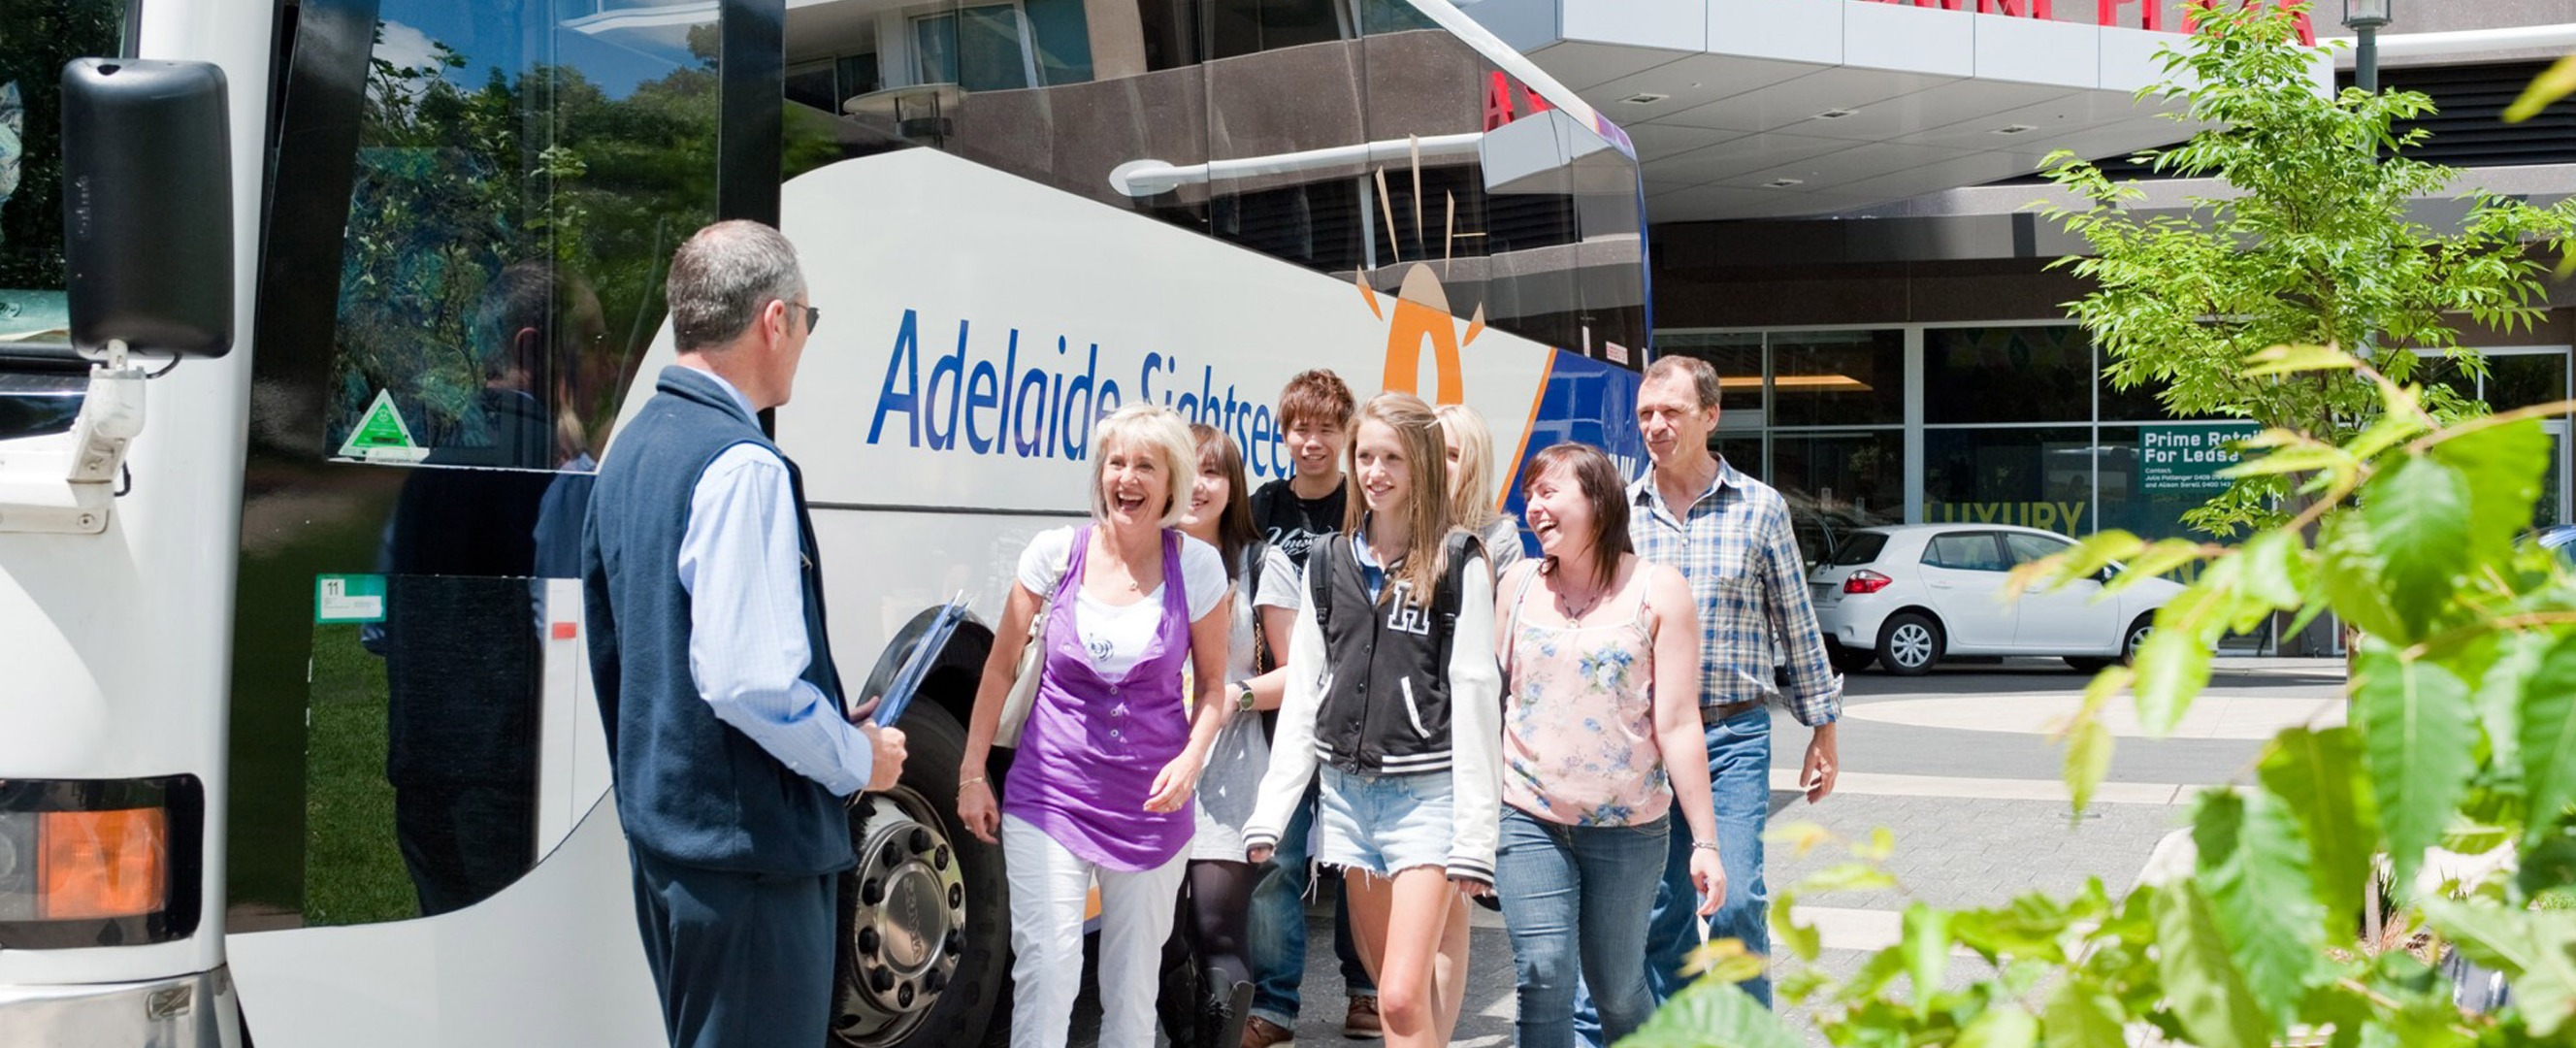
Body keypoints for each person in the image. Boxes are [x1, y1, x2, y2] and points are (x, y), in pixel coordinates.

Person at [580, 220, 908, 1047]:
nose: (804, 339)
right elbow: (745, 682)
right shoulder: (742, 463)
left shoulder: (630, 448)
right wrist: (852, 758)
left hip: (674, 842)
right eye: (808, 319)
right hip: (748, 856)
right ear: (774, 320)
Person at [955, 403, 1236, 1048]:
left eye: (1145, 465)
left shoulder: (1194, 568)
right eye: (1116, 463)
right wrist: (972, 772)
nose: (1127, 478)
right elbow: (998, 670)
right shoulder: (1054, 555)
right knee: (1049, 972)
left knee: (1132, 993)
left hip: (1151, 807)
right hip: (1048, 798)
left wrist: (1192, 757)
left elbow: (1215, 685)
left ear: (1170, 483)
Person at [1245, 391, 1502, 1048]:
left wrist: (1476, 837)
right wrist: (1272, 811)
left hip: (1427, 799)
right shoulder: (1329, 563)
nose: (1374, 472)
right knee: (1397, 994)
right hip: (1347, 801)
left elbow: (1474, 696)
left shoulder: (1457, 560)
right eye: (1365, 456)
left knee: (1396, 997)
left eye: (1390, 457)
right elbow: (1306, 692)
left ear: (1418, 464)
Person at [1493, 442, 1726, 1048]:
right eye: (1530, 496)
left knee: (1617, 989)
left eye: (1550, 493)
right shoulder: (1517, 585)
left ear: (1598, 500)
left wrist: (1705, 841)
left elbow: (1676, 722)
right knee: (1542, 975)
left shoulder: (1659, 589)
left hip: (1629, 826)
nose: (1535, 509)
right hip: (1527, 813)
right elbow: (1489, 701)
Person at [1630, 355, 1842, 1009]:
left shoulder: (1760, 509)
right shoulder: (1621, 510)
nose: (1656, 426)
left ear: (1711, 417)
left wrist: (1823, 732)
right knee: (1660, 905)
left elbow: (1797, 624)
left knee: (1738, 896)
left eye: (1672, 412)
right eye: (1645, 413)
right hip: (1645, 740)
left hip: (1732, 733)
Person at [1241, 368, 1381, 1046]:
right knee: (1276, 860)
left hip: (1358, 709)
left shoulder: (1365, 506)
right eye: (1300, 428)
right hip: (1282, 712)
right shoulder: (1261, 509)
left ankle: (1365, 990)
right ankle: (1273, 1006)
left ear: (1345, 433)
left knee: (1358, 857)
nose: (1312, 442)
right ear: (1284, 433)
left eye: (1326, 429)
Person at [1158, 423, 1301, 1047]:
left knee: (1216, 924)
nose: (1198, 486)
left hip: (1233, 764)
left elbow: (1300, 676)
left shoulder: (1262, 563)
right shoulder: (1145, 556)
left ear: (1231, 484)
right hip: (1153, 767)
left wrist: (1230, 698)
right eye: (1186, 471)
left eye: (1211, 472)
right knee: (1161, 935)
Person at [1433, 403, 1526, 574]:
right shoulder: (1396, 524)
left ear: (1474, 467)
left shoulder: (1499, 536)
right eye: (1432, 451)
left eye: (1453, 455)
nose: (1438, 462)